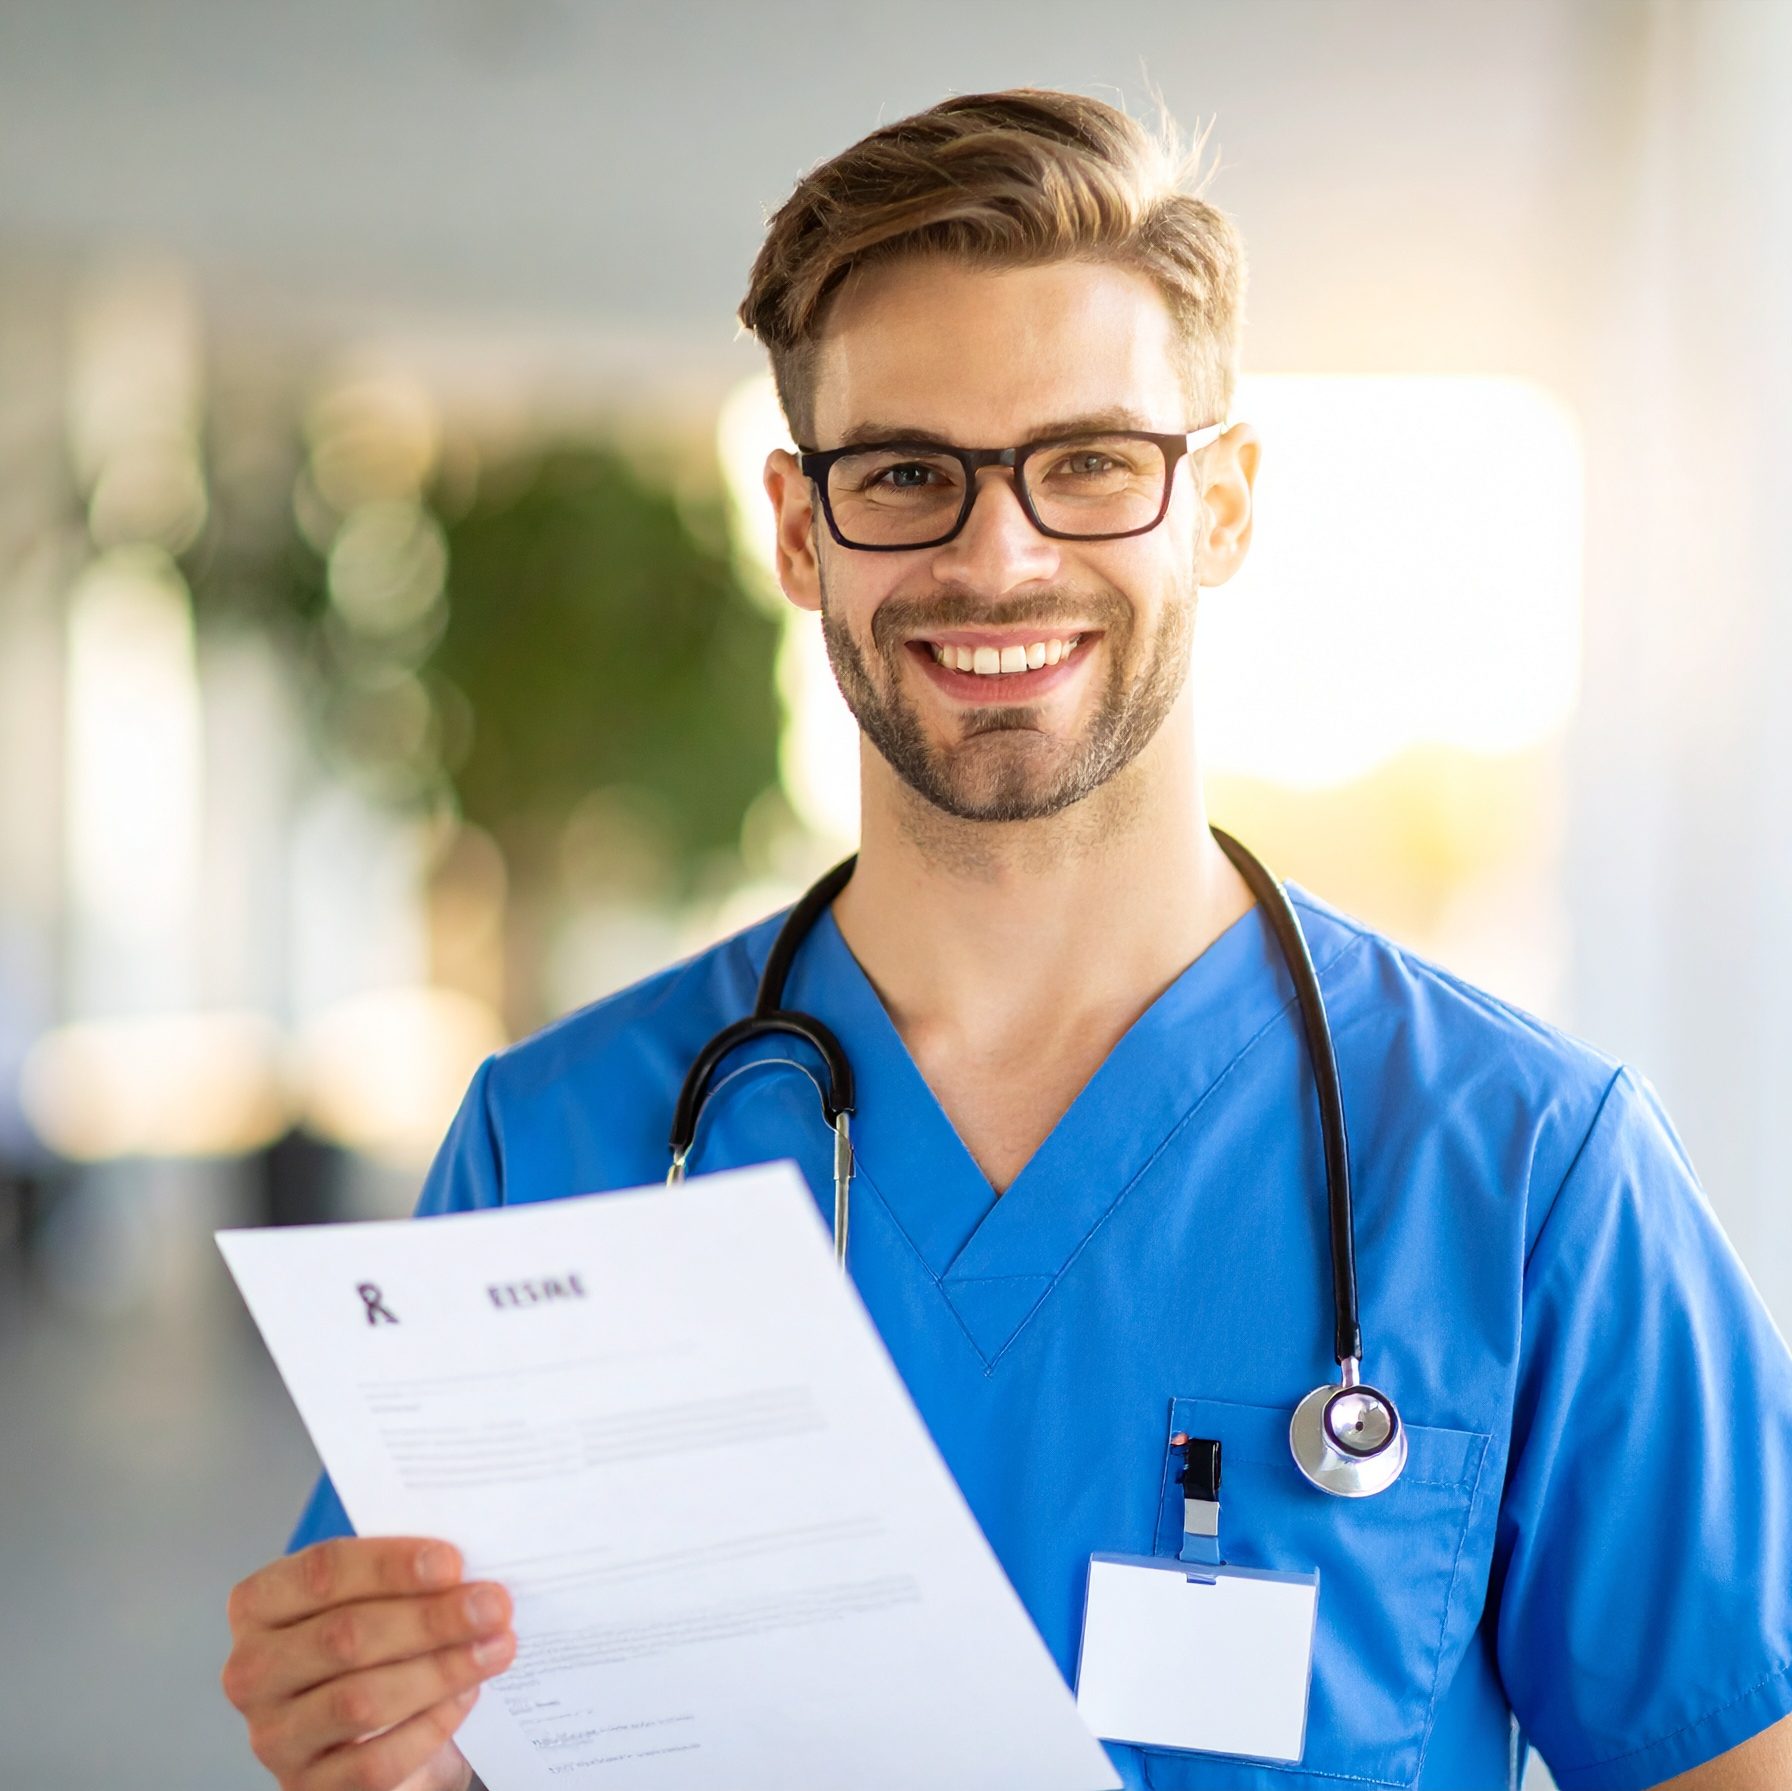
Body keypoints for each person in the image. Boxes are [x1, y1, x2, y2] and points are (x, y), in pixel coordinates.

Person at [221, 88, 1792, 1791]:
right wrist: (374, 1747)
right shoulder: (561, 1145)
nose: (1001, 552)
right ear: (803, 529)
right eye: (907, 474)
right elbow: (441, 1745)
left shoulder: (1531, 1174)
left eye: (1092, 462)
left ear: (1226, 505)